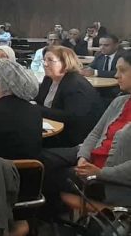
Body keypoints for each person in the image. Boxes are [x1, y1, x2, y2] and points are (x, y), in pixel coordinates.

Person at [40, 51, 131, 215]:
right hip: (91, 159)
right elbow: (96, 133)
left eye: (122, 70)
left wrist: (100, 173)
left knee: (43, 173)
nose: (116, 75)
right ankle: (52, 216)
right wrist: (83, 156)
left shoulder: (74, 85)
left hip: (110, 181)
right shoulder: (120, 101)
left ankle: (48, 218)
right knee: (39, 158)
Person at [34, 46, 103, 148]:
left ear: (66, 63)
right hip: (53, 127)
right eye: (44, 60)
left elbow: (71, 117)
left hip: (72, 137)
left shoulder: (75, 85)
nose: (45, 64)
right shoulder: (49, 79)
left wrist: (36, 109)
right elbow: (39, 100)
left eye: (50, 60)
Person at [81, 34, 123, 103]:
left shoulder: (124, 56)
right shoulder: (99, 54)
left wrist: (95, 72)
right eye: (100, 45)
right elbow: (91, 67)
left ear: (116, 45)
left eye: (106, 45)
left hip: (117, 88)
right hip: (99, 88)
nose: (102, 48)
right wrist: (84, 70)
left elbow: (119, 73)